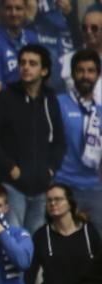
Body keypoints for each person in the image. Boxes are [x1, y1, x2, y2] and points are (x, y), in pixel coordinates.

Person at [0, 44, 65, 234]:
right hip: (12, 187)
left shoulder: (50, 100)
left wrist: (50, 170)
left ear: (44, 70)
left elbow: (59, 141)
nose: (26, 67)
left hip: (41, 189)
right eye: (22, 63)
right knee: (12, 240)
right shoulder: (5, 98)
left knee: (36, 245)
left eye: (32, 63)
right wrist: (10, 167)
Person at [25, 183, 100, 284]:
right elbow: (29, 277)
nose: (53, 204)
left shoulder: (89, 232)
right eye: (49, 200)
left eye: (58, 199)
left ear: (70, 202)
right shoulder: (41, 236)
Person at [56, 49, 102, 233]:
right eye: (80, 70)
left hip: (94, 188)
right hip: (64, 187)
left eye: (90, 71)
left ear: (98, 75)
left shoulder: (100, 111)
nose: (85, 76)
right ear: (73, 74)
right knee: (65, 242)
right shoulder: (58, 103)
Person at [0, 0, 38, 101]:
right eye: (8, 8)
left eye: (18, 8)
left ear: (26, 11)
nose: (13, 13)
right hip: (8, 109)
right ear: (0, 10)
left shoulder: (32, 38)